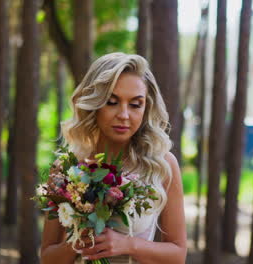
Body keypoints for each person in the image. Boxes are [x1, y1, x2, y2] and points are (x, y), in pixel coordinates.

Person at [40, 53, 187, 264]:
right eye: (112, 102)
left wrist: (128, 245)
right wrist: (76, 243)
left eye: (136, 104)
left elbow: (178, 255)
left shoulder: (162, 165)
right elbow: (47, 258)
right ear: (95, 103)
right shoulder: (66, 169)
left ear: (146, 108)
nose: (124, 115)